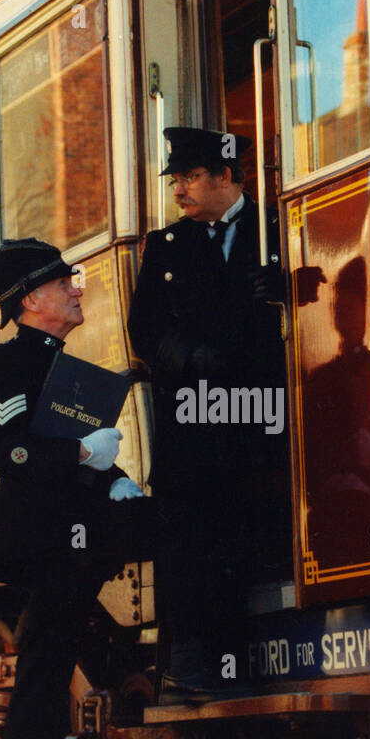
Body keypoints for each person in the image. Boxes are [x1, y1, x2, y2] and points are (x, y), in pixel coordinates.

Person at [0, 237, 155, 739]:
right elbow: (5, 450)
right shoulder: (8, 365)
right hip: (43, 539)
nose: (77, 289)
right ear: (31, 300)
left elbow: (78, 458)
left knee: (50, 665)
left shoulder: (57, 363)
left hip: (74, 537)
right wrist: (80, 449)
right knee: (43, 667)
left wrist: (118, 480)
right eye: (63, 283)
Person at [127, 127, 291, 703]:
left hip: (258, 421)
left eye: (190, 177)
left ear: (226, 177)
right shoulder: (166, 246)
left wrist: (289, 290)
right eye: (175, 178)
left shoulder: (277, 229)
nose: (179, 188)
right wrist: (191, 357)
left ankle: (234, 664)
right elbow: (143, 330)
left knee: (244, 539)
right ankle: (189, 664)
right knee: (191, 535)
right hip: (193, 423)